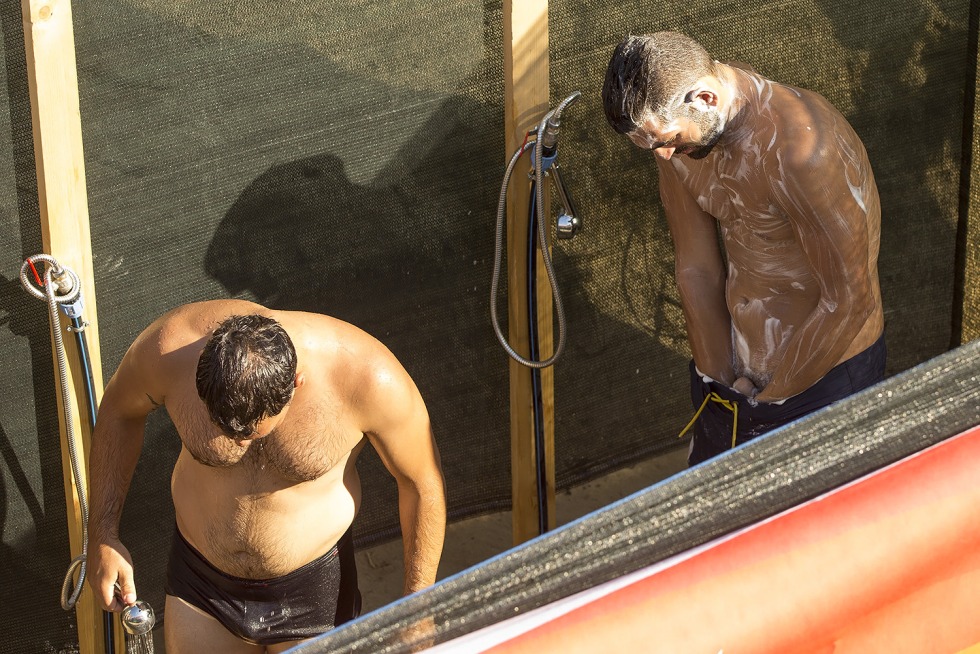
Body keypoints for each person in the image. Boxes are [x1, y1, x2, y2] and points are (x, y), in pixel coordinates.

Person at [86, 299, 446, 652]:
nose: (239, 441)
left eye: (251, 431)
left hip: (313, 594)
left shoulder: (367, 377)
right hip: (200, 585)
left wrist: (418, 609)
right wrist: (102, 535)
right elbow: (119, 412)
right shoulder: (169, 350)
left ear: (296, 383)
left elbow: (422, 484)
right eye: (223, 428)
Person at [602, 32, 886, 465]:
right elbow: (695, 268)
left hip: (825, 376)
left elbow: (850, 300)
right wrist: (718, 382)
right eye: (653, 145)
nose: (665, 154)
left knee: (813, 511)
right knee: (714, 504)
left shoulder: (802, 151)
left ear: (705, 98)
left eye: (668, 139)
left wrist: (769, 403)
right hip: (733, 372)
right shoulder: (675, 145)